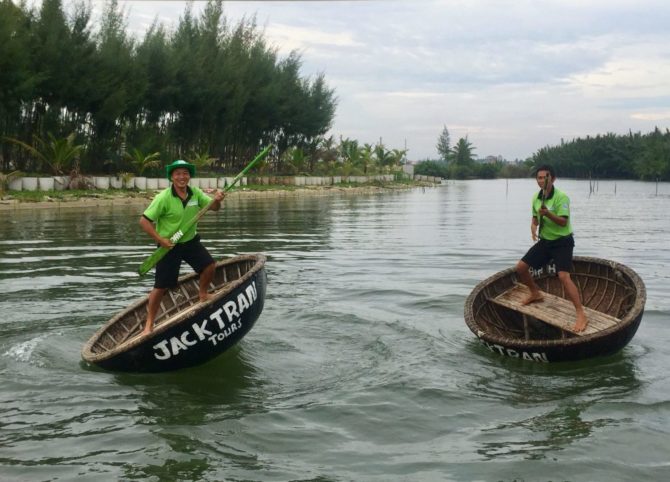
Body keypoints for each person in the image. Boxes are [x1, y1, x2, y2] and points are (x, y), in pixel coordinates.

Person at [139, 159, 225, 336]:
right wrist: (161, 240)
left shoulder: (196, 193)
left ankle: (203, 294)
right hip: (169, 245)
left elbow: (214, 208)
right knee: (161, 286)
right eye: (177, 173)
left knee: (209, 266)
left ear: (189, 176)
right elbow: (144, 221)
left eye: (185, 173)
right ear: (172, 177)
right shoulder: (163, 198)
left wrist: (217, 200)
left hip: (190, 241)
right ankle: (149, 323)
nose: (182, 177)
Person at [515, 165, 588, 332]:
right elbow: (535, 217)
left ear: (552, 179)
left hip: (563, 242)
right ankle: (535, 293)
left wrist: (547, 213)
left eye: (545, 177)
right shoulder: (536, 198)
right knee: (520, 268)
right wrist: (533, 225)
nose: (541, 180)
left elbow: (563, 222)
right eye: (539, 178)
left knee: (563, 276)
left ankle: (581, 313)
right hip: (546, 241)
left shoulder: (561, 197)